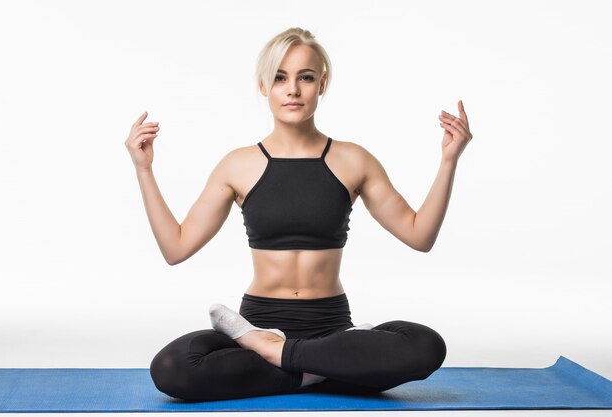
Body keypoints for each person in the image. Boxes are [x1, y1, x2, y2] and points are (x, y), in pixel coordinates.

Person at [124, 27, 473, 403]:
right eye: (279, 78)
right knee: (173, 367)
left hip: (331, 329)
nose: (292, 89)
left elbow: (419, 236)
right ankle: (325, 371)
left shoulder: (353, 159)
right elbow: (176, 247)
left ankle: (280, 358)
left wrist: (449, 161)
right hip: (257, 323)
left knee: (425, 346)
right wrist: (144, 170)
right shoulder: (237, 165)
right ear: (263, 86)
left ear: (322, 84)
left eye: (305, 77)